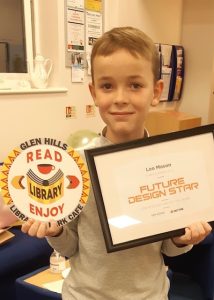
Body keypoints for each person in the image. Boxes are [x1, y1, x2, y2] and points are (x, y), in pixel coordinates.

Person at [22, 27, 212, 300]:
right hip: (84, 295)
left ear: (156, 91)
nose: (120, 98)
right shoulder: (75, 167)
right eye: (107, 86)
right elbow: (70, 246)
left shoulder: (170, 163)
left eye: (135, 85)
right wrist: (56, 230)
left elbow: (168, 249)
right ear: (94, 92)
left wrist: (183, 238)